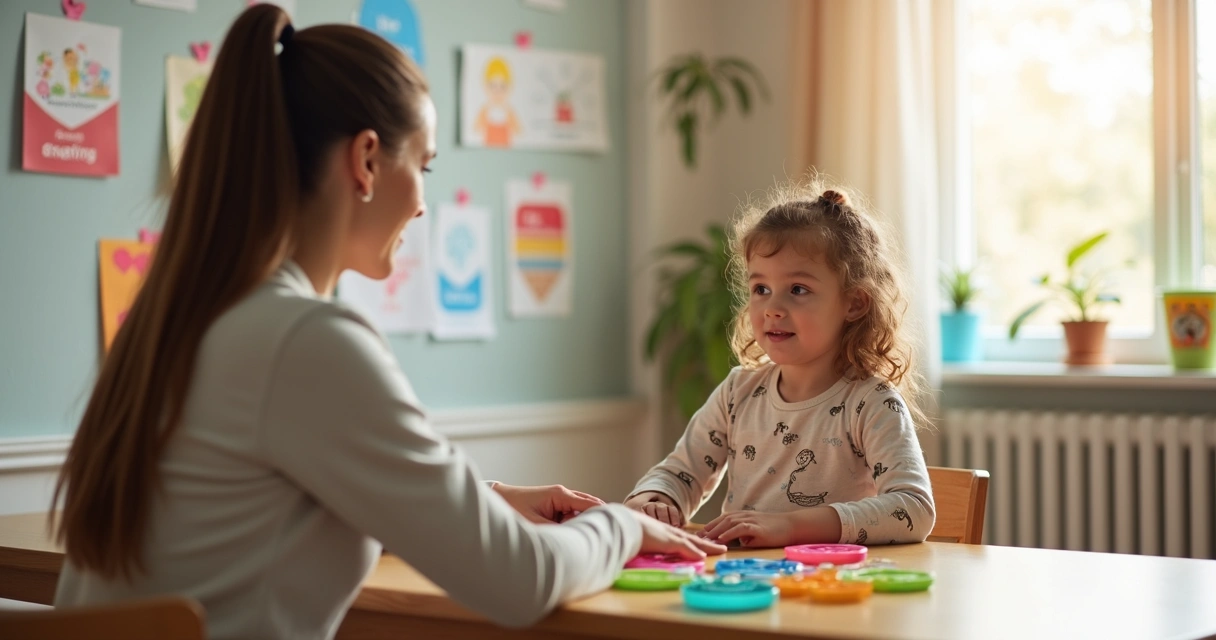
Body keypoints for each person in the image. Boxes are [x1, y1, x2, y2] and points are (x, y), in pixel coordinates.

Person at [50, 6, 723, 639]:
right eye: (424, 166)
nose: (425, 205)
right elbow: (522, 580)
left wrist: (486, 501)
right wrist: (622, 527)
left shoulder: (187, 318)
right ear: (367, 160)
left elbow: (267, 498)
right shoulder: (304, 339)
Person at [624, 179, 936, 548]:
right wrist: (655, 501)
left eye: (798, 290)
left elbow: (913, 509)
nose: (772, 307)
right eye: (761, 289)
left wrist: (790, 527)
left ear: (854, 303)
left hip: (831, 589)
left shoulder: (870, 402)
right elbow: (680, 473)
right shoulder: (737, 393)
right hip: (748, 583)